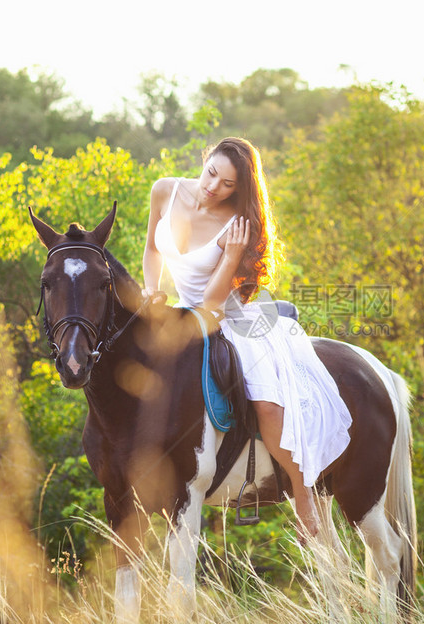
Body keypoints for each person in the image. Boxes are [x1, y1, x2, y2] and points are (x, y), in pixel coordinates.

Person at [142, 137, 352, 538]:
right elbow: (153, 248)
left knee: (267, 406)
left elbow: (213, 302)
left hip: (227, 317)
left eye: (227, 185)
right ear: (204, 161)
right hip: (180, 309)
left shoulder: (236, 226)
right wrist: (152, 288)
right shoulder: (165, 190)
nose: (213, 187)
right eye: (212, 174)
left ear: (240, 189)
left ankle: (301, 485)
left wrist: (235, 253)